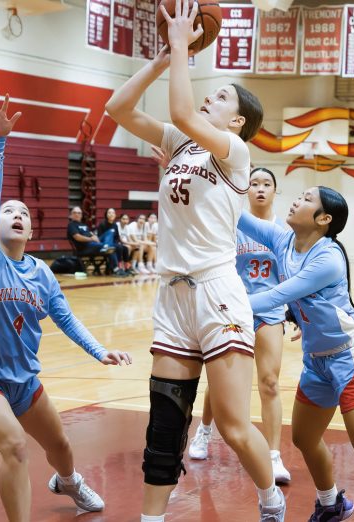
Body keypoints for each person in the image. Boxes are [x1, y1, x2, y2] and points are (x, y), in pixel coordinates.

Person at [104, 0, 285, 519]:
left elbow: (182, 110)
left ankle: (270, 498)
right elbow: (118, 108)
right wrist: (164, 58)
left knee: (231, 423)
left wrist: (184, 45)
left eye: (222, 95)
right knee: (165, 418)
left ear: (239, 120)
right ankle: (151, 516)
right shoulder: (181, 142)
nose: (211, 95)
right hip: (172, 293)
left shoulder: (235, 152)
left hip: (217, 291)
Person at [0, 91, 132, 521]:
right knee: (16, 447)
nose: (17, 214)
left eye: (24, 213)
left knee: (61, 448)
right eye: (8, 211)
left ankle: (68, 482)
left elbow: (66, 319)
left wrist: (99, 350)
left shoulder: (42, 274)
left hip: (24, 382)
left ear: (31, 229)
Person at [238, 186, 354, 521]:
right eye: (298, 194)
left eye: (308, 199)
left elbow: (276, 296)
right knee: (303, 437)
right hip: (316, 361)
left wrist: (222, 306)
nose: (296, 199)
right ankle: (332, 504)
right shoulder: (283, 240)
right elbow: (234, 213)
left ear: (324, 218)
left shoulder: (327, 258)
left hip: (352, 357)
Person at [187, 168, 291, 484]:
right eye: (255, 183)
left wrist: (297, 315)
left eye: (267, 184)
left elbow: (293, 278)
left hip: (269, 312)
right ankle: (203, 430)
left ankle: (273, 456)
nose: (260, 188)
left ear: (275, 191)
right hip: (233, 310)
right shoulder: (233, 227)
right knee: (222, 380)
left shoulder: (284, 232)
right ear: (246, 189)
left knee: (270, 382)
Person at [67, 206, 124, 276]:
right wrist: (91, 239)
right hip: (84, 248)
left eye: (79, 213)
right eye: (75, 213)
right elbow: (77, 237)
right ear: (71, 215)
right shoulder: (71, 225)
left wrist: (94, 236)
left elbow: (90, 233)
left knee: (110, 232)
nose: (77, 214)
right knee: (111, 248)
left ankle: (105, 247)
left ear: (81, 215)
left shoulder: (83, 225)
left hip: (94, 244)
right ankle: (116, 269)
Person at [97, 208, 133, 274]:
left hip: (114, 243)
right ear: (106, 214)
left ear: (115, 215)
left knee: (125, 248)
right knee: (119, 247)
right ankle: (118, 267)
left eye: (113, 213)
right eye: (109, 213)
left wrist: (118, 242)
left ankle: (126, 267)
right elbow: (100, 238)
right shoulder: (102, 224)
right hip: (105, 244)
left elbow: (117, 237)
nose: (111, 214)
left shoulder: (115, 225)